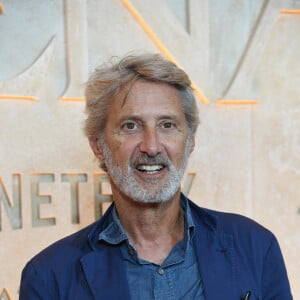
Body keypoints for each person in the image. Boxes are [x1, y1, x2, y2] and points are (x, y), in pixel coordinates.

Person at [19, 53, 292, 299]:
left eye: (167, 125)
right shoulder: (48, 278)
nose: (151, 146)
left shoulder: (255, 246)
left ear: (190, 140)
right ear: (98, 145)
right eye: (130, 126)